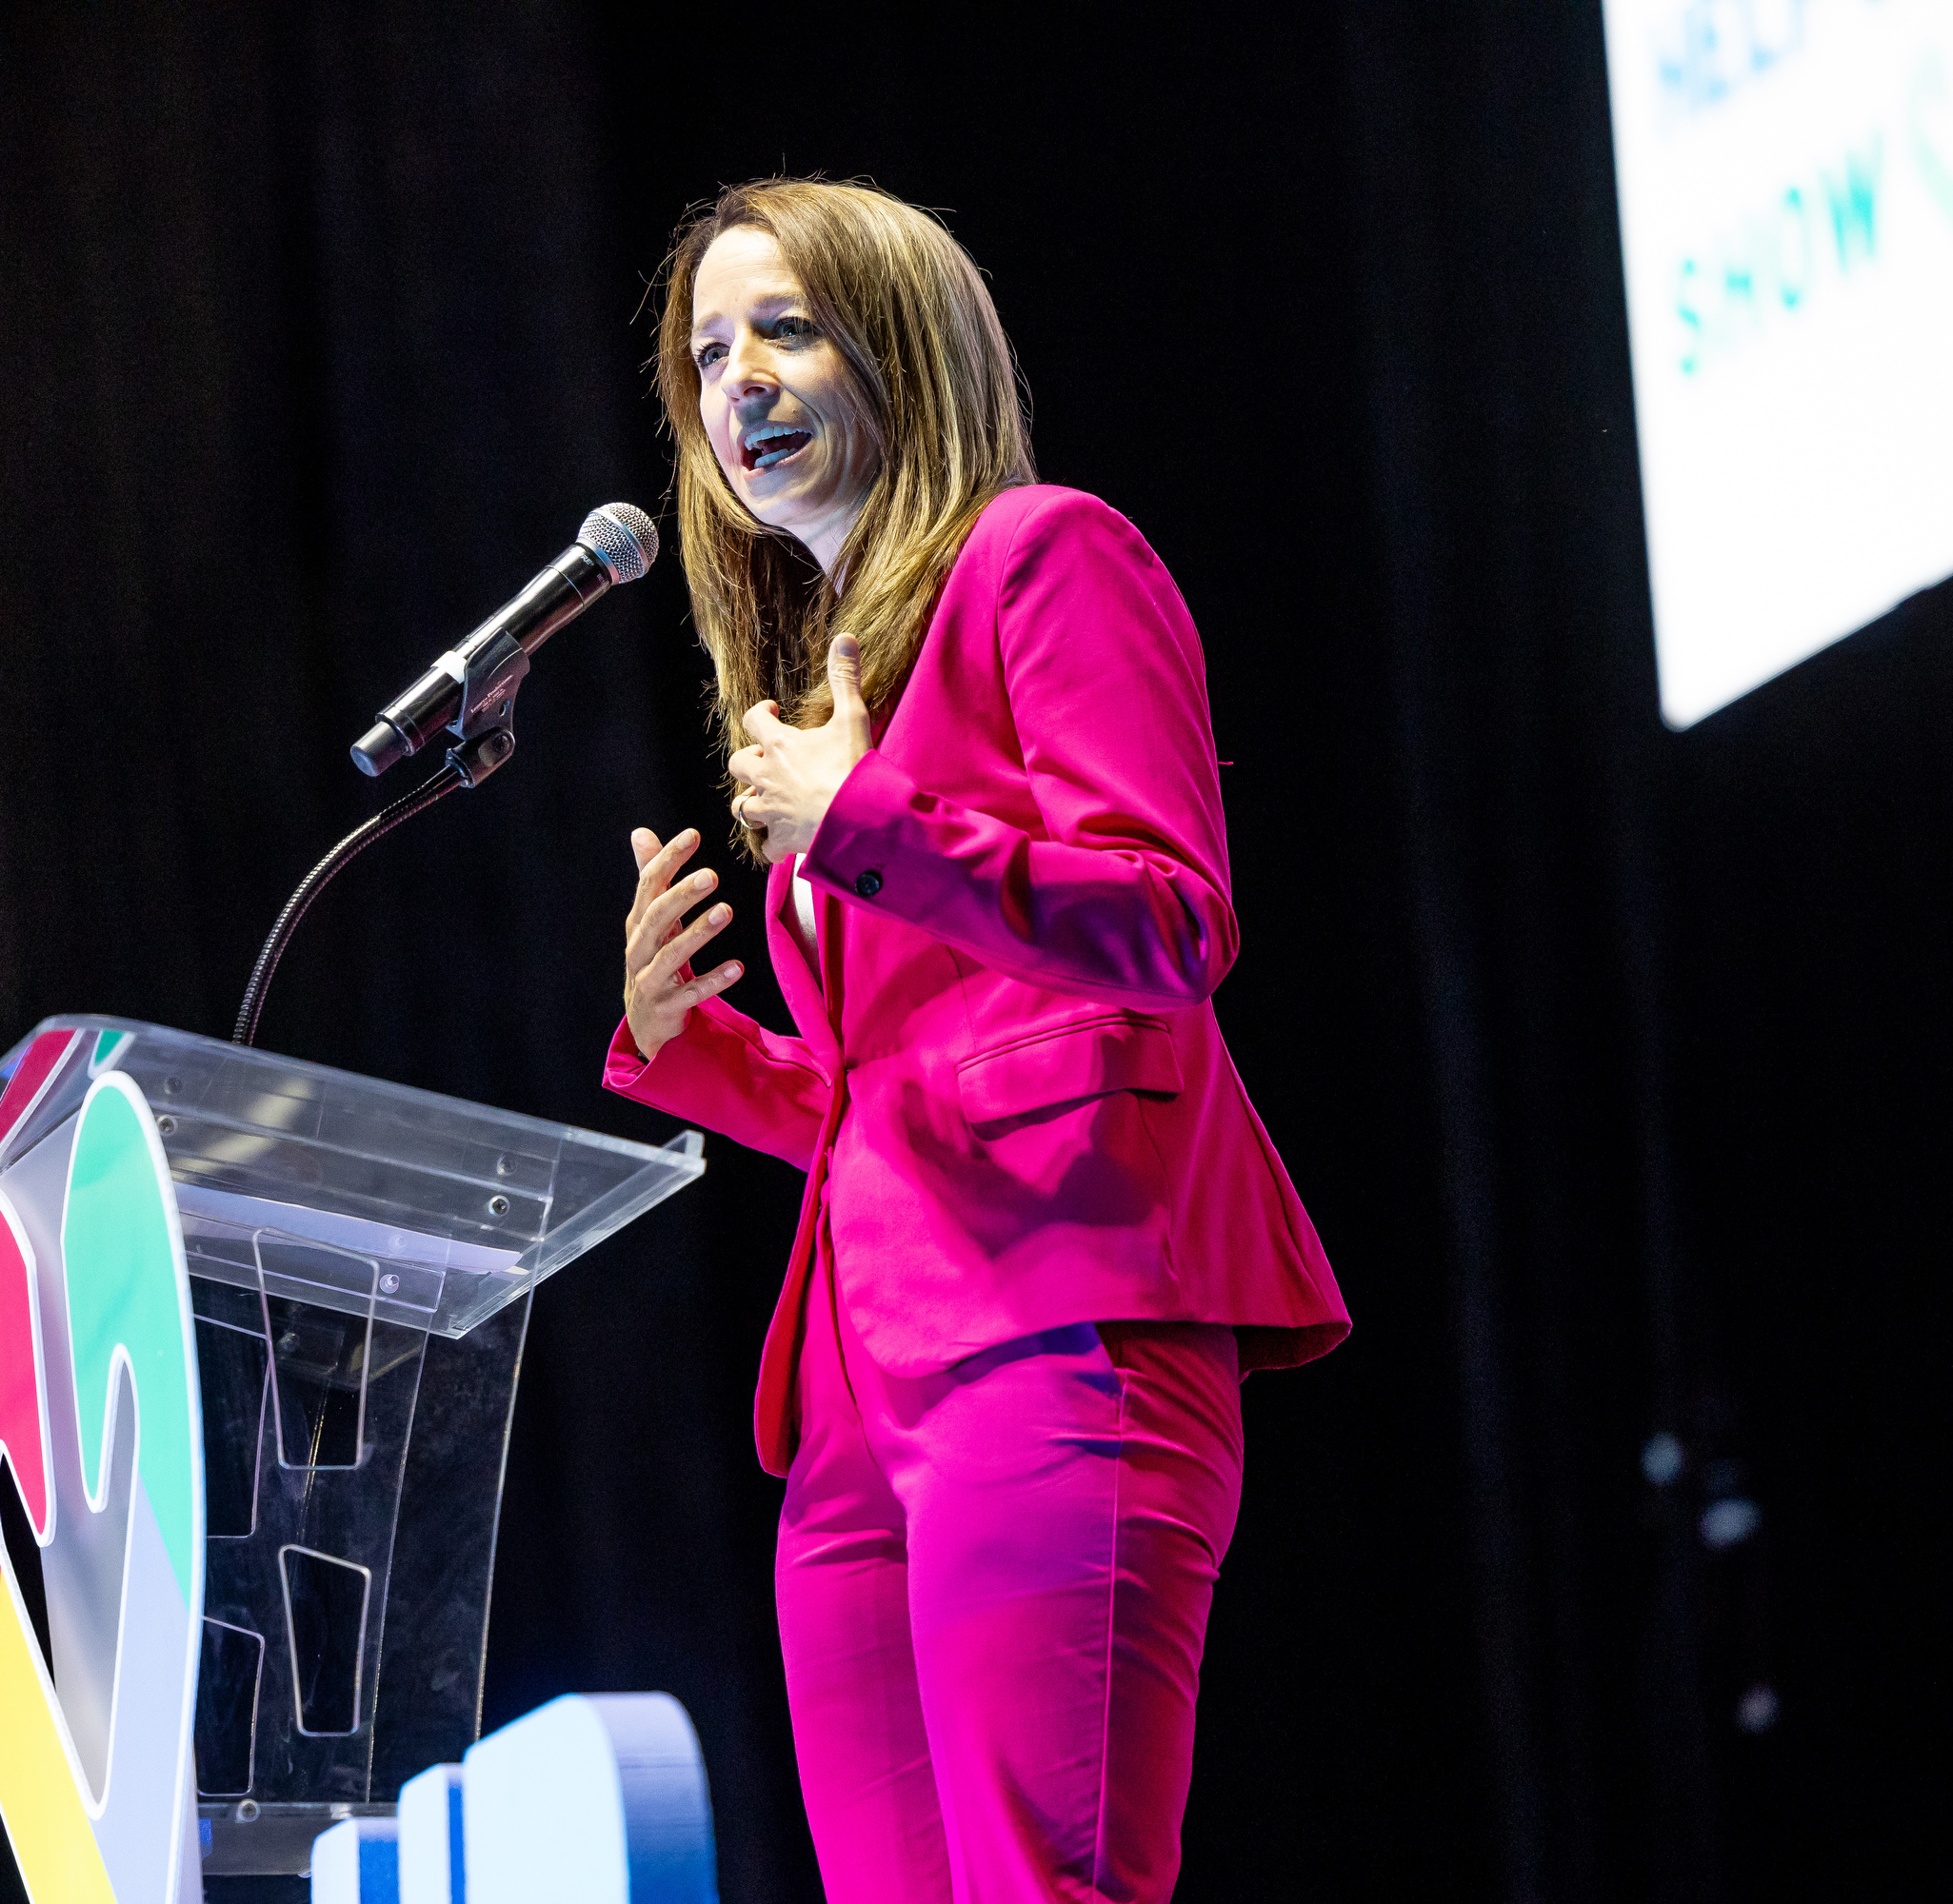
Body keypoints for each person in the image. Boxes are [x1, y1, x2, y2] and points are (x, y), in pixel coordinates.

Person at [606, 179, 1350, 1903]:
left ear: (904, 347)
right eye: (711, 352)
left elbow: (1170, 917)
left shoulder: (1049, 554)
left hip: (1059, 1330)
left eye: (787, 328)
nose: (742, 383)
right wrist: (694, 1045)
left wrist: (869, 818)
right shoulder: (828, 688)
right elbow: (915, 1086)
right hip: (866, 1407)